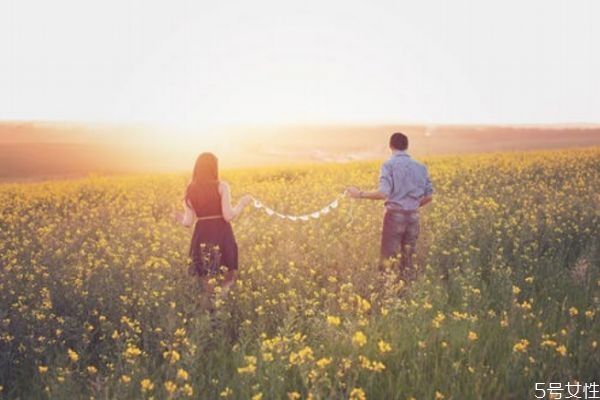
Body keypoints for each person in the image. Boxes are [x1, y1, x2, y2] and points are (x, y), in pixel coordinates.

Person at [346, 132, 433, 281]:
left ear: (390, 146)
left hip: (394, 217)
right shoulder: (421, 167)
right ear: (407, 146)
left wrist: (359, 194)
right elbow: (429, 196)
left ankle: (386, 293)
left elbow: (383, 193)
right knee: (408, 260)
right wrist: (411, 206)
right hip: (414, 216)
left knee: (388, 260)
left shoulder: (389, 165)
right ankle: (406, 292)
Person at [175, 152, 252, 299]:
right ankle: (219, 304)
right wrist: (242, 203)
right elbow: (228, 215)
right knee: (228, 274)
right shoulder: (222, 186)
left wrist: (179, 218)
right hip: (221, 232)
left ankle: (208, 312)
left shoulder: (190, 189)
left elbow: (188, 222)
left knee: (206, 278)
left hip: (201, 233)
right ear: (213, 167)